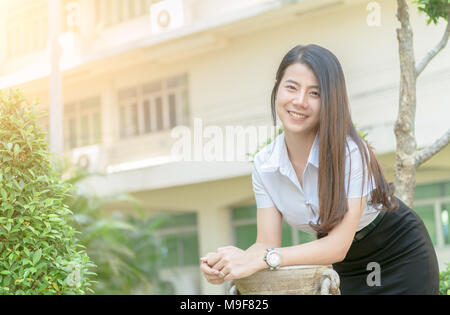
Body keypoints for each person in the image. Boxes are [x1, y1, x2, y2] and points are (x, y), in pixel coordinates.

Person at [200, 44, 440, 294]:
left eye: (314, 93)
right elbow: (266, 244)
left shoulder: (350, 153)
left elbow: (336, 245)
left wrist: (262, 259)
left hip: (399, 253)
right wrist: (229, 264)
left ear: (329, 101)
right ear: (276, 88)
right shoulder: (265, 165)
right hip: (343, 265)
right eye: (291, 87)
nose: (300, 101)